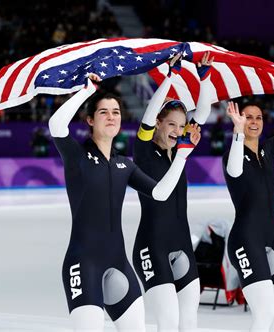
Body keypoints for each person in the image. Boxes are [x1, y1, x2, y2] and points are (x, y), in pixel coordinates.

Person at [48, 73, 199, 331]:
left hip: (119, 263)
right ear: (90, 120)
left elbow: (160, 193)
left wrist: (182, 156)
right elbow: (56, 125)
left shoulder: (124, 165)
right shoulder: (78, 157)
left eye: (116, 112)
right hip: (83, 264)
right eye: (104, 112)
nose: (111, 117)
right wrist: (85, 92)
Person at [132, 52, 213, 332]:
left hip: (181, 243)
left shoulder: (181, 149)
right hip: (151, 246)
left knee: (188, 323)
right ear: (158, 124)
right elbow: (150, 113)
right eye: (171, 125)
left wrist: (205, 78)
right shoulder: (143, 148)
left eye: (181, 126)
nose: (178, 131)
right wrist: (171, 76)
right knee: (168, 324)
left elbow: (201, 115)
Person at [223, 66, 274, 332]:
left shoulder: (269, 148)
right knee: (263, 315)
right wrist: (237, 133)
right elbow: (236, 171)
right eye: (248, 117)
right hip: (245, 239)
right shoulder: (232, 154)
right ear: (239, 120)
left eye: (258, 117)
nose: (254, 122)